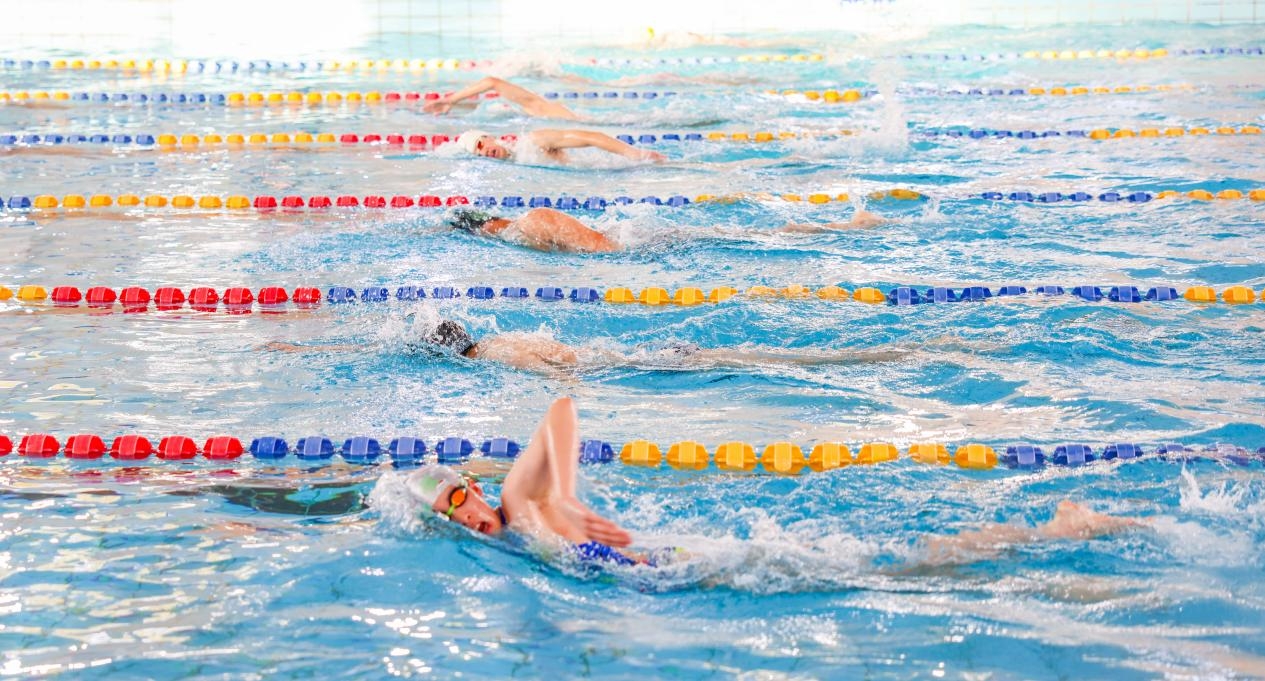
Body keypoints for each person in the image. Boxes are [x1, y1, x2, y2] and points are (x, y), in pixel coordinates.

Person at [404, 396, 644, 564]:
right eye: (448, 518)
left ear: (475, 489)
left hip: (655, 570)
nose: (463, 518)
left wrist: (563, 497)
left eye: (457, 498)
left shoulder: (517, 501)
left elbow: (561, 408)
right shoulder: (502, 549)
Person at [262, 318, 909, 374]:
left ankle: (890, 356)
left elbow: (549, 369)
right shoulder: (493, 339)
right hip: (643, 352)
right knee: (784, 359)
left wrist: (574, 395)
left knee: (781, 363)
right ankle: (890, 354)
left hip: (639, 365)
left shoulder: (492, 356)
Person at [421, 76, 665, 164]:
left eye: (482, 143)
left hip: (618, 124)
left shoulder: (534, 134)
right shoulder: (520, 154)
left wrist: (635, 154)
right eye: (477, 151)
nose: (484, 151)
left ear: (490, 137)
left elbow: (592, 136)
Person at [443, 207, 888, 253]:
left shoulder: (532, 221)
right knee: (724, 235)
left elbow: (598, 245)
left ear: (486, 226)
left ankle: (842, 226)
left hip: (632, 246)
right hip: (630, 242)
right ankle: (836, 226)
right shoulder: (524, 232)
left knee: (739, 238)